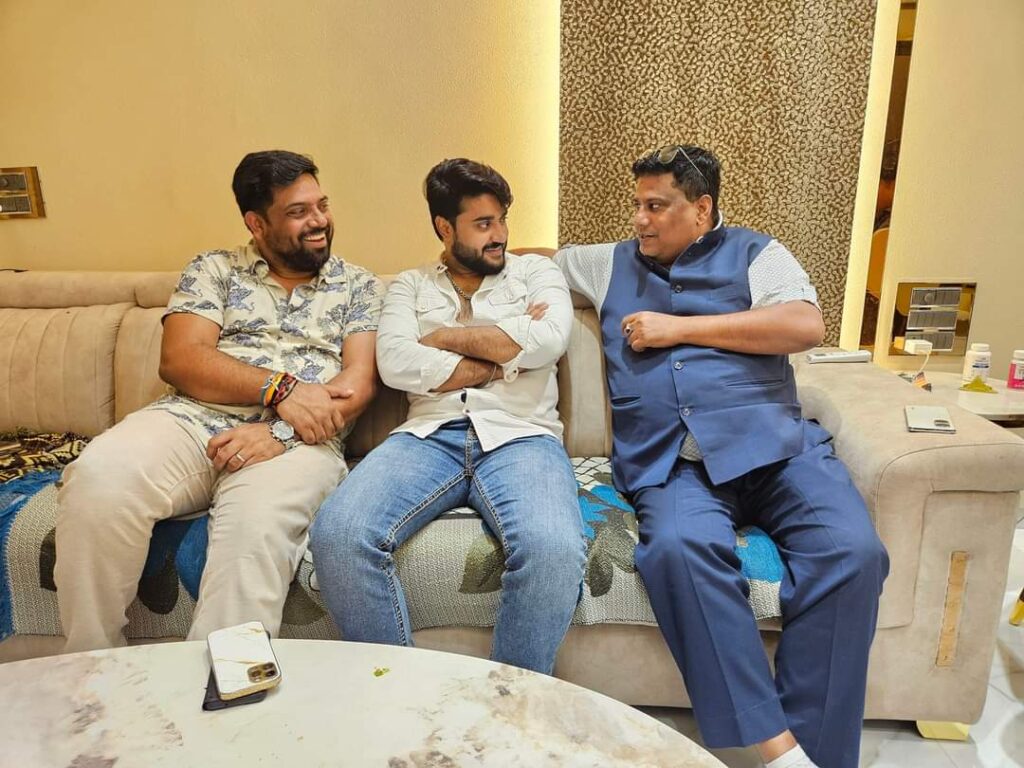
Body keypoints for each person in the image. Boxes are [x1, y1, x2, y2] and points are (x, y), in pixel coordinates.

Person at [555, 144, 889, 768]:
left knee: (853, 553)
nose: (640, 219)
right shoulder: (606, 263)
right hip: (674, 463)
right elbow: (533, 259)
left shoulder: (759, 254)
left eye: (657, 206)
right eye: (637, 204)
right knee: (677, 551)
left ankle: (820, 756)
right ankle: (782, 752)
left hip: (778, 451)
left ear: (702, 208)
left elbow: (804, 325)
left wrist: (678, 328)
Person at [55, 150, 383, 651]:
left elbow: (358, 384)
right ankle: (92, 669)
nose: (319, 221)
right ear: (256, 223)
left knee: (254, 527)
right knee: (97, 477)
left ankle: (226, 686)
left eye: (322, 205)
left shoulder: (359, 285)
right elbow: (182, 359)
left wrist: (279, 431)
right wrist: (282, 389)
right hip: (190, 421)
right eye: (298, 212)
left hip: (298, 443)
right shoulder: (214, 269)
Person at [310, 158, 586, 675]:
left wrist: (441, 339)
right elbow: (396, 363)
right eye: (483, 224)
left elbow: (549, 340)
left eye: (502, 219)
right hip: (426, 436)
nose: (499, 235)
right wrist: (505, 354)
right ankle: (401, 701)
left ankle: (510, 708)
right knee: (339, 535)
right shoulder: (410, 287)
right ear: (444, 227)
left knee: (552, 550)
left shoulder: (537, 273)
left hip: (522, 437)